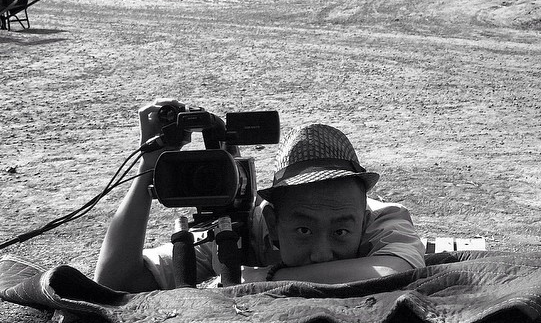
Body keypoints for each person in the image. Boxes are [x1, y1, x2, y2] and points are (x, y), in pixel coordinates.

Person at [94, 99, 425, 292]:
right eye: (304, 231)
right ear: (271, 220)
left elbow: (395, 272)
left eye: (340, 232)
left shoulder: (384, 218)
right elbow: (114, 280)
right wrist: (148, 166)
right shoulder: (238, 229)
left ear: (364, 218)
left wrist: (259, 279)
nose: (322, 253)